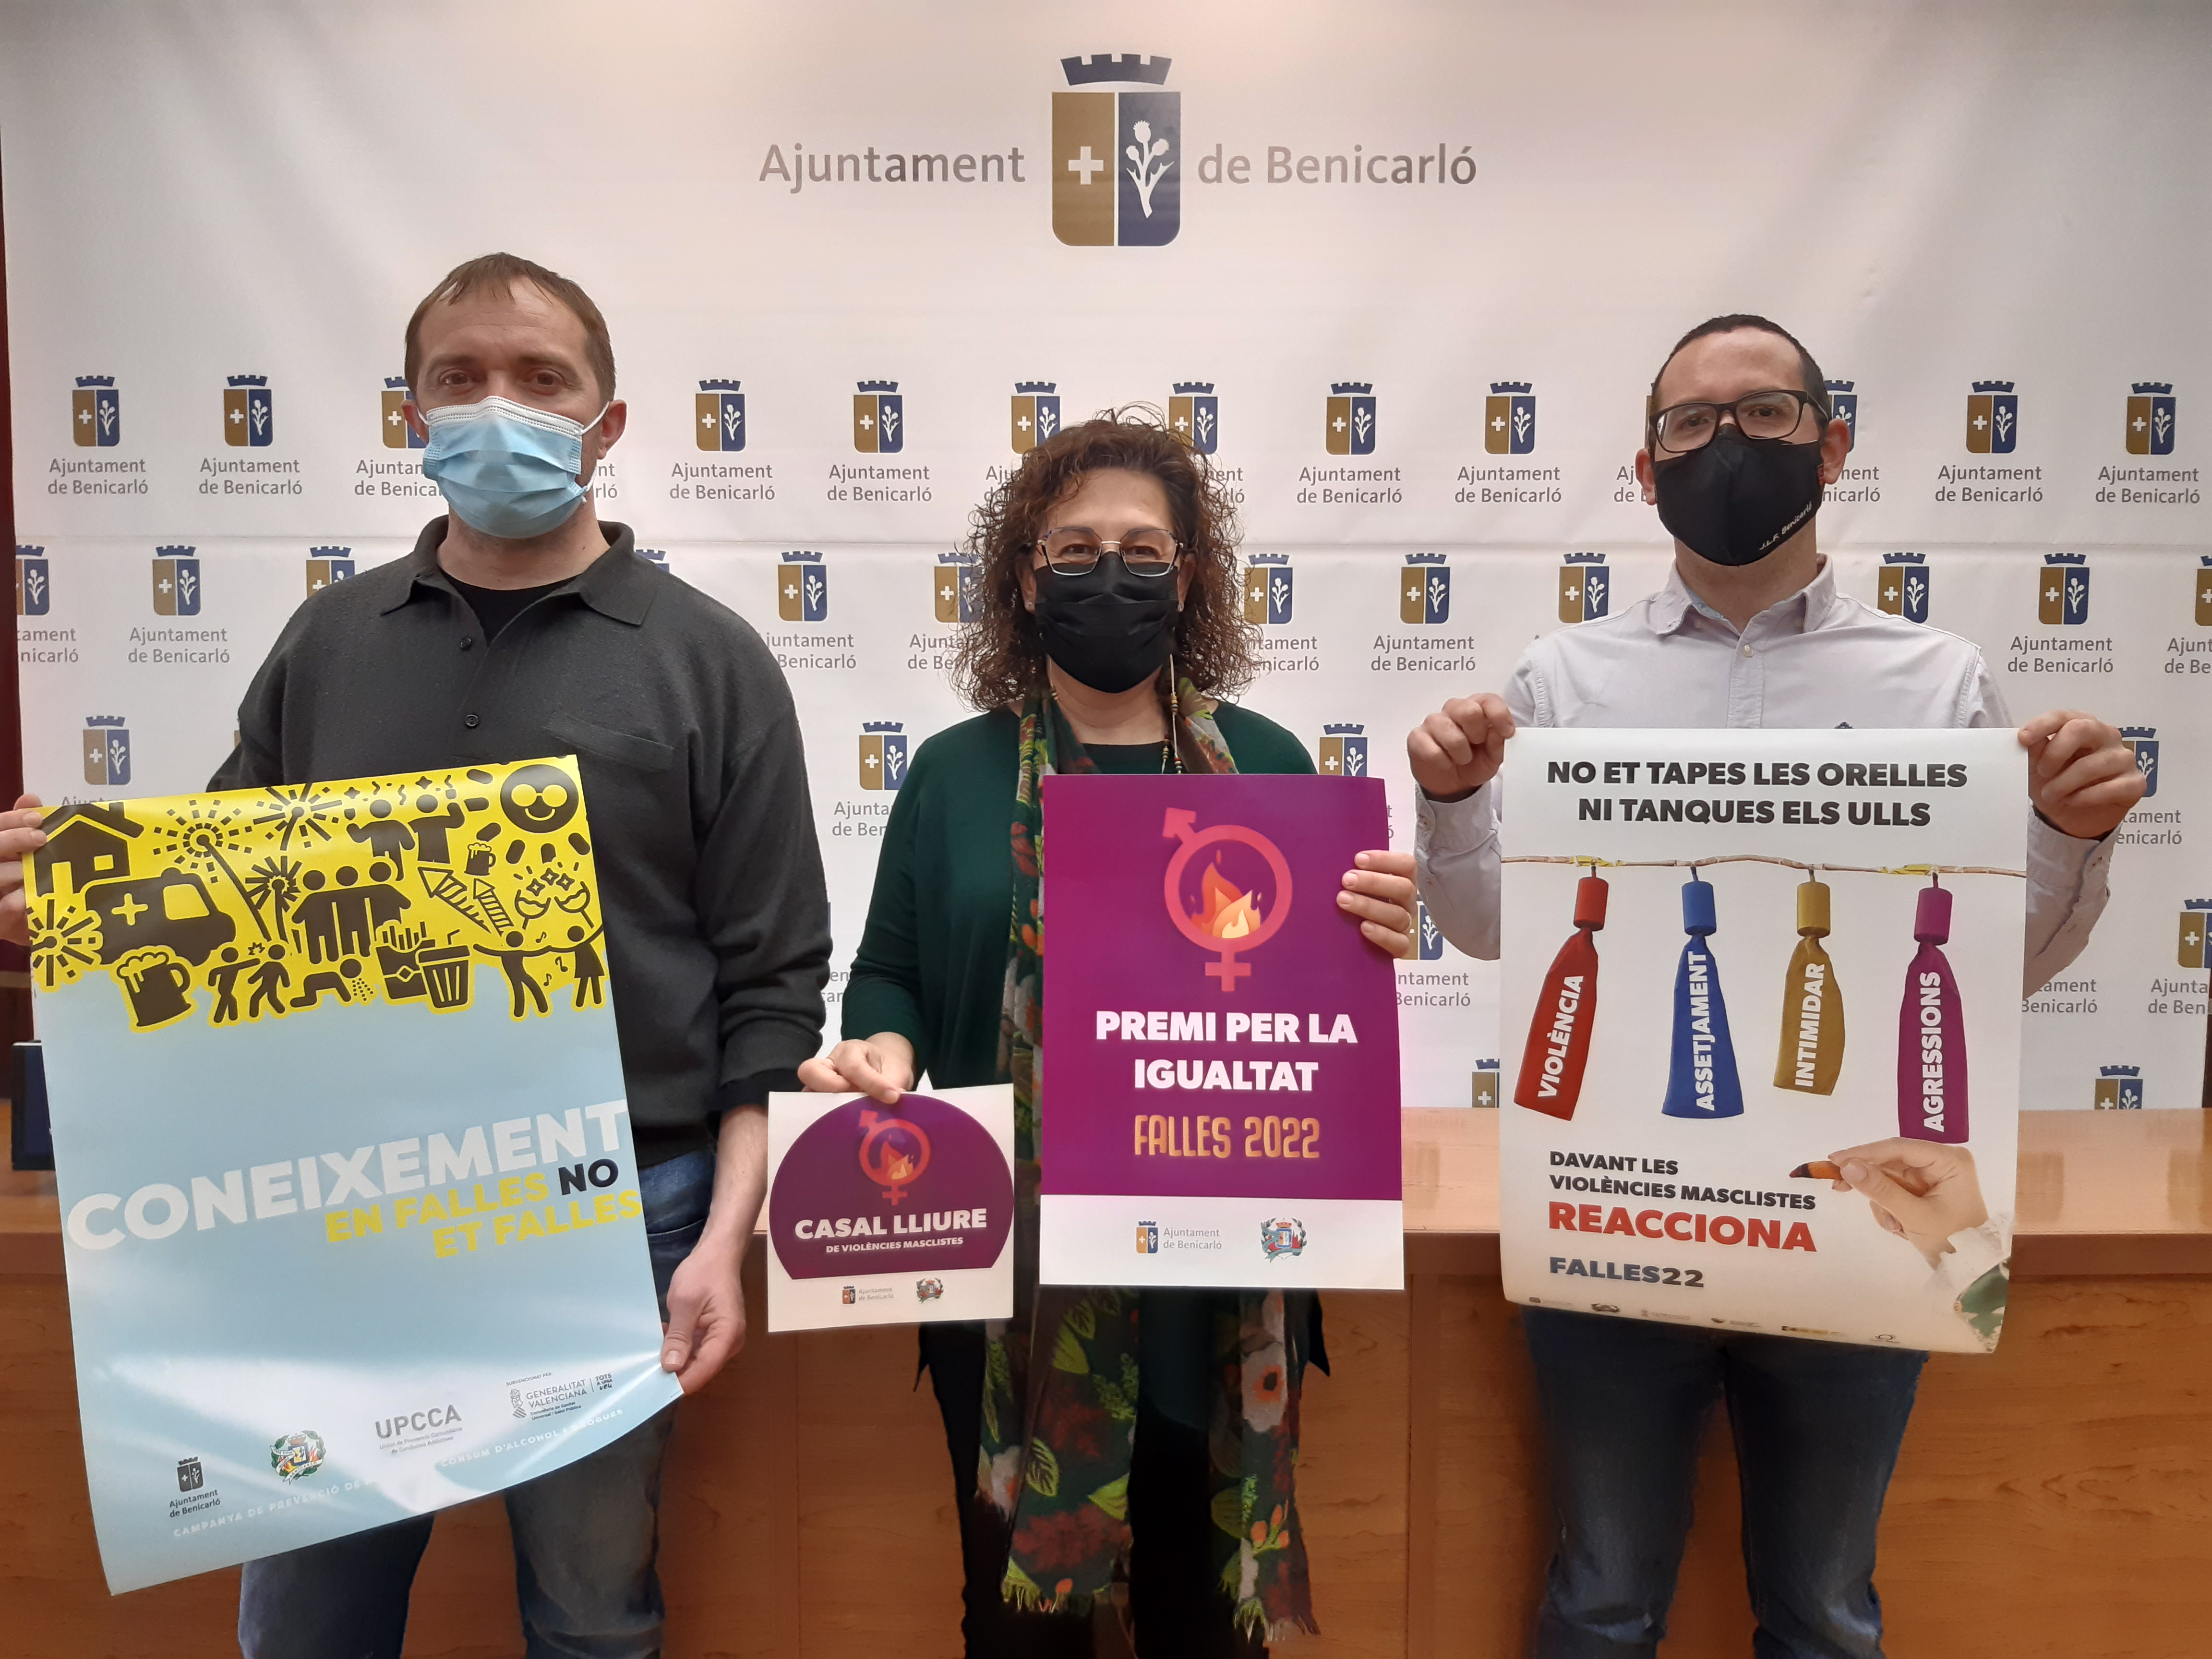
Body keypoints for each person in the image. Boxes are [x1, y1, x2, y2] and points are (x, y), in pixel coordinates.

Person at [0, 252, 831, 1659]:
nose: (499, 404)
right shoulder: (329, 640)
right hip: (345, 1210)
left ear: (608, 422)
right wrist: (73, 906)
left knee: (591, 1618)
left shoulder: (710, 658)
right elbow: (225, 904)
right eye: (461, 378)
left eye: (541, 379)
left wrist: (722, 1242)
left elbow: (772, 982)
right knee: (304, 1622)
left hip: (614, 1211)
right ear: (412, 414)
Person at [1406, 314, 2145, 1659]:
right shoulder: (1564, 678)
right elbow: (1489, 926)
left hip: (1862, 1221)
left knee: (1825, 1615)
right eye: (1690, 424)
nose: (1728, 445)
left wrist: (2065, 836)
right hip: (1619, 1212)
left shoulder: (1939, 681)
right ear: (1648, 469)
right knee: (1601, 1605)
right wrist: (1453, 805)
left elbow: (1992, 967)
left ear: (1832, 443)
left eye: (1765, 414)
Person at [801, 414, 1419, 1658]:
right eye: (1075, 549)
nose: (1110, 573)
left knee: (1204, 1621)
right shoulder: (954, 775)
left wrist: (1375, 939)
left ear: (1187, 578)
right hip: (1014, 1278)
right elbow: (892, 975)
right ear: (1027, 579)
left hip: (1217, 1269)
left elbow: (1309, 1014)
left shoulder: (1269, 764)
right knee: (1016, 1624)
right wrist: (885, 1051)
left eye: (1143, 550)